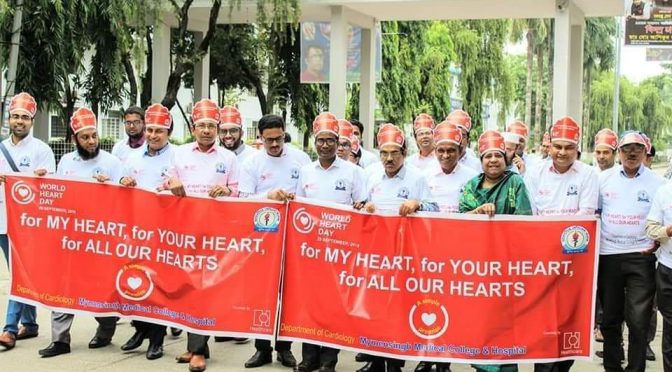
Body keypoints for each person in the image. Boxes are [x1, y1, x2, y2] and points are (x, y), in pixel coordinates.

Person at [38, 107, 122, 358]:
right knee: (63, 286)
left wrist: (113, 187)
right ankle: (60, 339)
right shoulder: (66, 162)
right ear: (75, 139)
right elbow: (57, 195)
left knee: (101, 289)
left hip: (102, 239)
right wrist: (40, 180)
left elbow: (129, 199)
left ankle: (106, 329)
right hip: (71, 238)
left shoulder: (112, 163)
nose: (91, 141)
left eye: (94, 135)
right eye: (85, 137)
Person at [359, 124, 437, 372]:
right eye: (384, 153)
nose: (389, 158)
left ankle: (394, 362)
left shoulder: (418, 178)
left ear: (404, 153)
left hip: (404, 255)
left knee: (398, 310)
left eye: (394, 153)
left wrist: (417, 204)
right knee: (375, 308)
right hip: (375, 254)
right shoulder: (370, 175)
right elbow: (359, 205)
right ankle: (375, 360)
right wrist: (365, 208)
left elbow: (434, 209)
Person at [293, 112, 367, 372]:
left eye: (330, 140)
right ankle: (308, 358)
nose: (325, 145)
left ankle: (328, 361)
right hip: (310, 250)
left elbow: (362, 206)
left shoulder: (353, 172)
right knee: (309, 305)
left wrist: (361, 207)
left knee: (333, 306)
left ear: (339, 142)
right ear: (315, 141)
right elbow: (298, 208)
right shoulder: (305, 171)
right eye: (320, 140)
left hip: (340, 252)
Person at [170, 99, 239, 372]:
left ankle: (199, 351)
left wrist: (226, 192)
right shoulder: (179, 153)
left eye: (212, 126)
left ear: (218, 129)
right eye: (202, 126)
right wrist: (170, 182)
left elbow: (237, 191)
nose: (207, 131)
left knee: (204, 290)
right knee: (188, 289)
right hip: (184, 231)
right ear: (193, 127)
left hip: (214, 233)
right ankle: (194, 344)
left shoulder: (229, 158)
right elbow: (167, 180)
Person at [524, 117, 599, 372]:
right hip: (541, 261)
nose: (562, 152)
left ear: (577, 148)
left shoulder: (589, 175)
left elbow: (586, 216)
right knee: (541, 320)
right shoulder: (534, 173)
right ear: (549, 146)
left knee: (568, 319)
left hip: (574, 261)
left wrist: (555, 234)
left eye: (569, 147)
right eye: (558, 146)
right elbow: (530, 215)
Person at [239, 114, 309, 369]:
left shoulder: (301, 160)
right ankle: (261, 348)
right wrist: (268, 195)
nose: (275, 144)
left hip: (293, 236)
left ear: (284, 134)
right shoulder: (251, 163)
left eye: (278, 138)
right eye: (269, 140)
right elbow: (243, 198)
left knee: (288, 293)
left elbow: (309, 193)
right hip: (262, 235)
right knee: (262, 293)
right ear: (260, 137)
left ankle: (285, 348)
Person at [598, 131, 663, 372]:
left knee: (638, 320)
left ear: (646, 152)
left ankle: (635, 369)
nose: (632, 153)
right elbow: (594, 214)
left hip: (642, 257)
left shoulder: (659, 184)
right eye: (626, 149)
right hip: (609, 256)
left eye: (638, 149)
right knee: (611, 319)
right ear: (618, 152)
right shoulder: (604, 179)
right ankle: (612, 366)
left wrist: (657, 244)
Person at [118, 103, 175, 360]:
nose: (153, 135)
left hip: (166, 232)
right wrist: (124, 182)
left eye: (159, 130)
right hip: (136, 231)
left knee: (159, 286)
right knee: (136, 281)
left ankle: (157, 339)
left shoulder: (178, 157)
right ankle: (140, 329)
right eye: (150, 129)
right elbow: (121, 185)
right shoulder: (132, 157)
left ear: (168, 132)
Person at [0, 93, 55, 351]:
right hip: (2, 221)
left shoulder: (41, 150)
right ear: (9, 118)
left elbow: (54, 188)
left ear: (32, 120)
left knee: (19, 275)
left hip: (30, 224)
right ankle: (30, 325)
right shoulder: (1, 149)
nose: (19, 121)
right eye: (15, 116)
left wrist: (39, 179)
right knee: (19, 274)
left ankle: (9, 329)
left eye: (24, 117)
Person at [645, 159, 672, 372]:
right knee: (671, 329)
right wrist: (668, 231)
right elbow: (652, 229)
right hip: (667, 270)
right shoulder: (664, 192)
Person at [424, 122, 478, 214]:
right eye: (441, 151)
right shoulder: (425, 176)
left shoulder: (473, 178)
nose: (445, 155)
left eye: (451, 150)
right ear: (435, 152)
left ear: (460, 151)